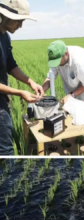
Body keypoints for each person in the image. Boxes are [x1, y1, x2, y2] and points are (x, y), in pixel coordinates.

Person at [0, 0, 44, 155]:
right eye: (19, 21)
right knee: (5, 151)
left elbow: (11, 65)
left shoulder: (4, 37)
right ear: (5, 16)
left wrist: (30, 82)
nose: (20, 26)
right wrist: (20, 93)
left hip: (2, 100)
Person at [42, 40, 84, 106]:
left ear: (66, 54)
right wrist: (42, 91)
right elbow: (50, 77)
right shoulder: (56, 56)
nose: (57, 64)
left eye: (58, 61)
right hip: (72, 90)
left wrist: (71, 95)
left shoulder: (79, 62)